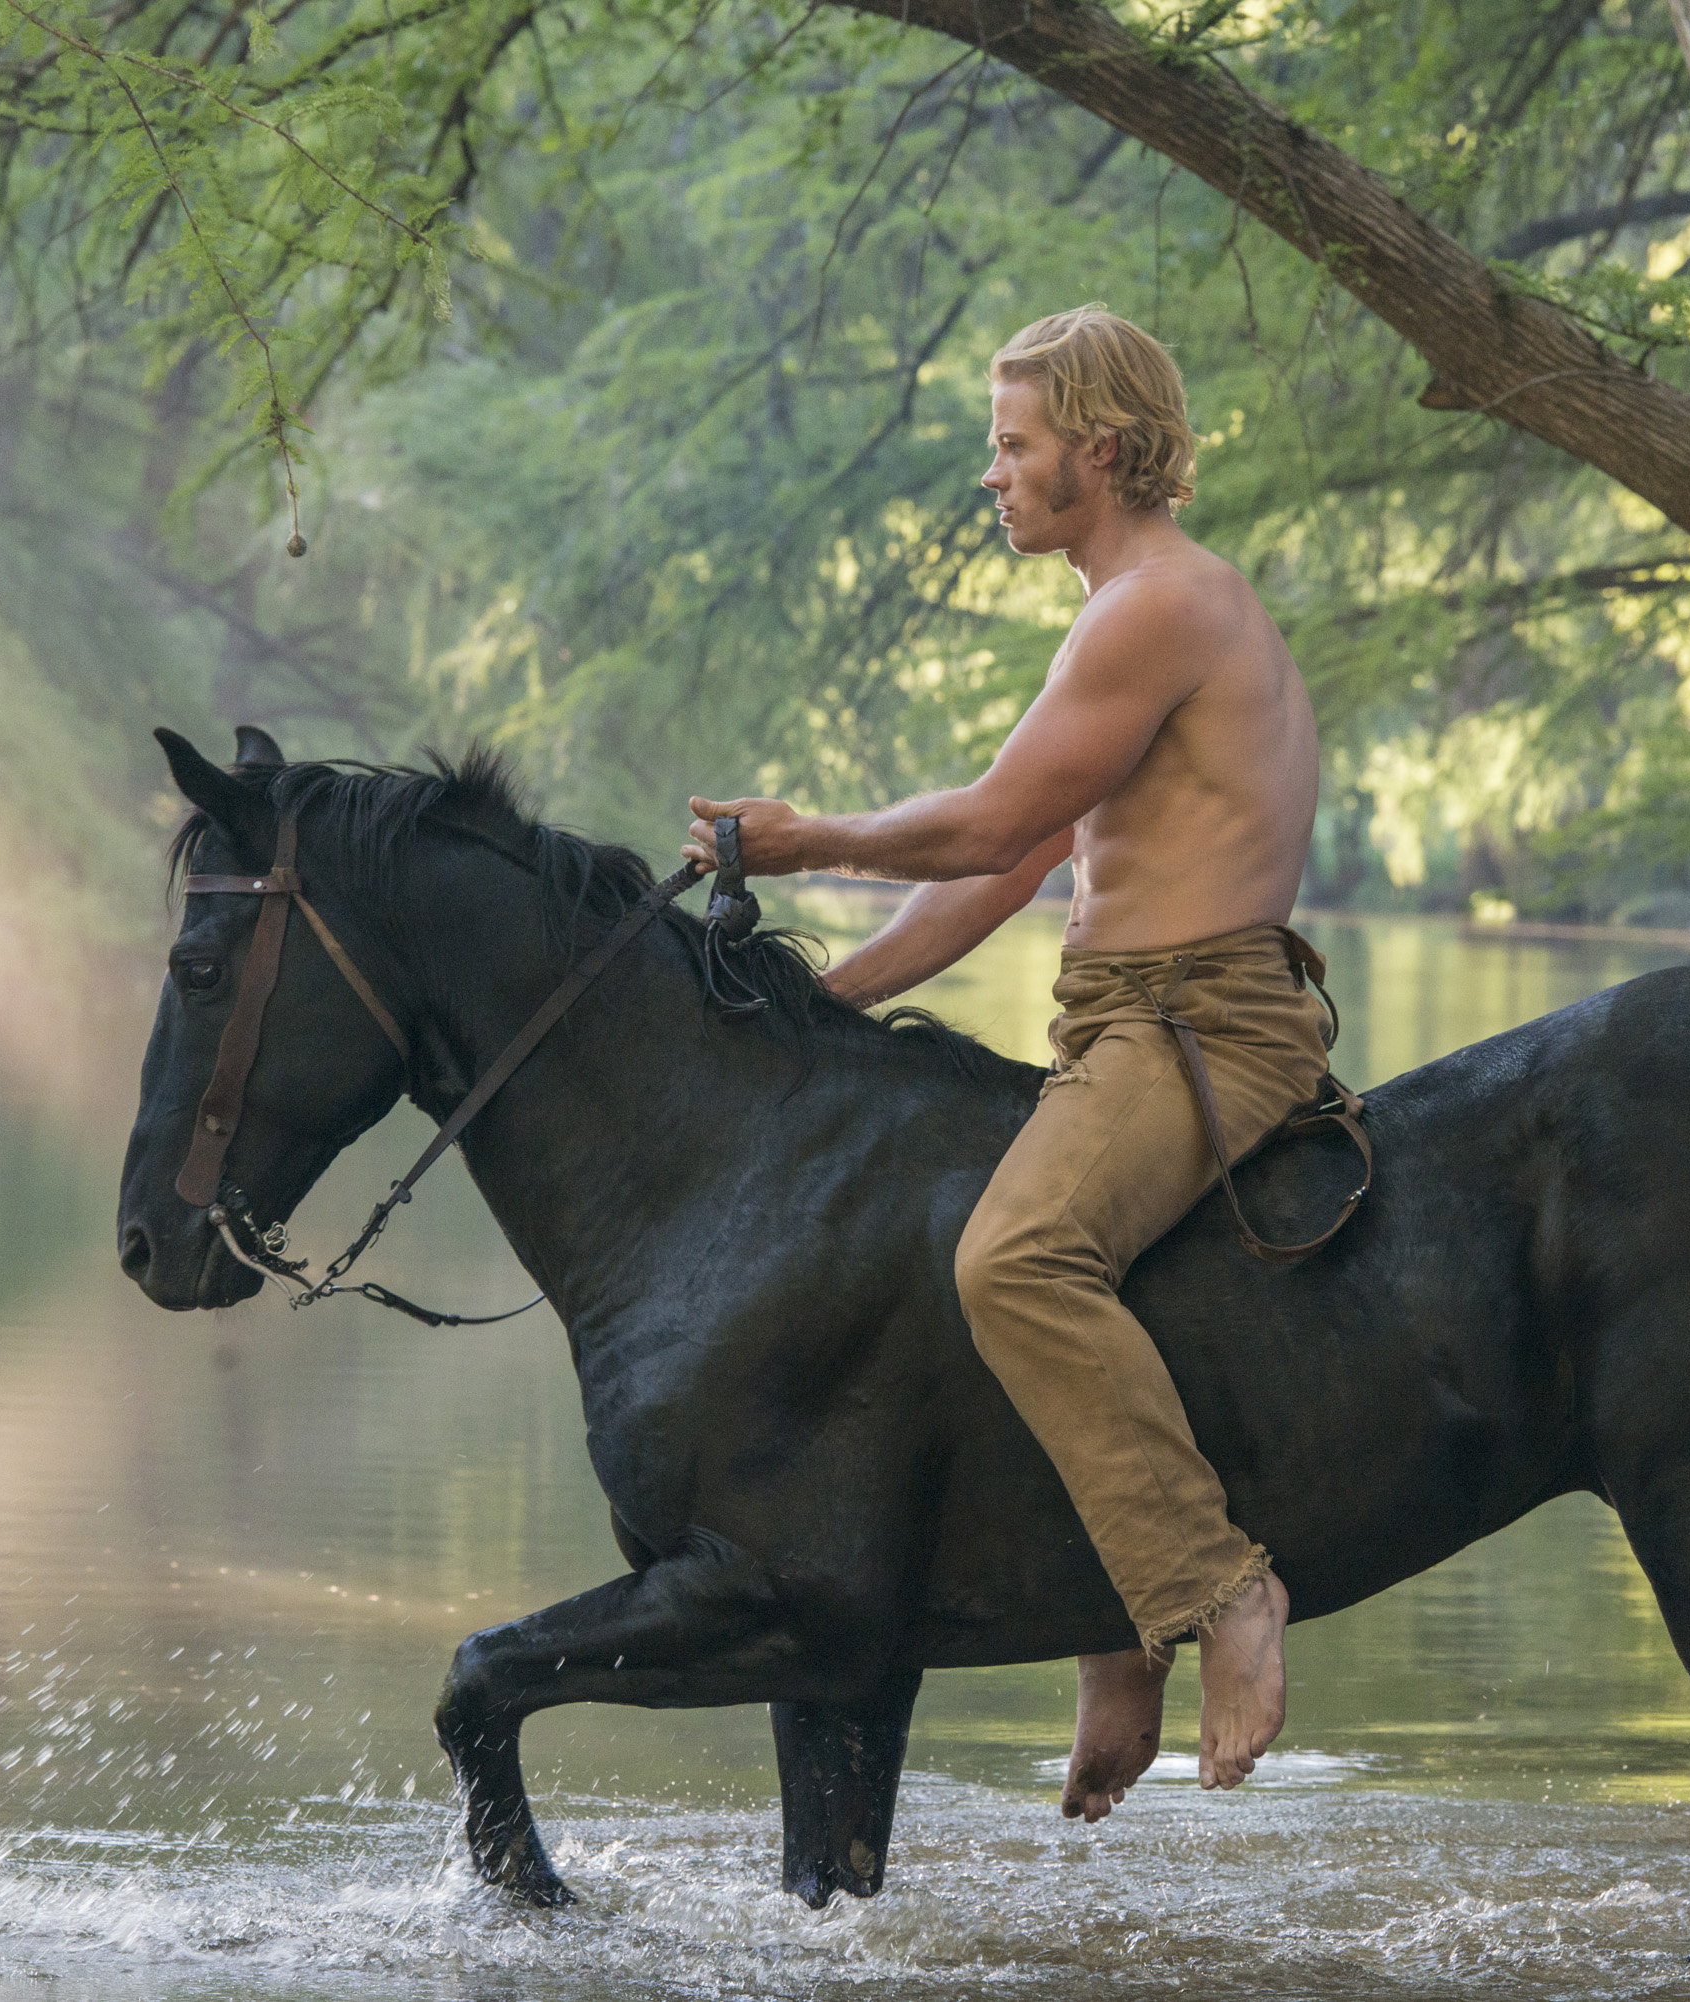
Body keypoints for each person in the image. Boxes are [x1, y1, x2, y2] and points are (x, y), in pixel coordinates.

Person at [682, 304, 1330, 1823]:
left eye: (1014, 444)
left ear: (1095, 452)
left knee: (1017, 1259)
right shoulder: (1128, 606)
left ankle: (1220, 1592)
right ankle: (1115, 1632)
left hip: (1204, 1022)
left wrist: (804, 838)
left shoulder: (1160, 603)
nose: (993, 473)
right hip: (1122, 1020)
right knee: (955, 1258)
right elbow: (1025, 853)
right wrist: (827, 1002)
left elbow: (979, 822)